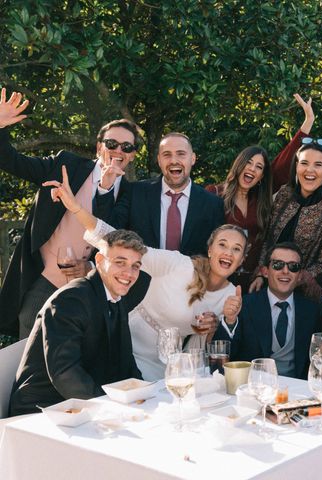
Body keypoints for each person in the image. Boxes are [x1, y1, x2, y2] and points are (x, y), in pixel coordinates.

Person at [43, 166, 246, 380]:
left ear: (241, 260)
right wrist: (76, 208)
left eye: (236, 249)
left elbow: (213, 353)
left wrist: (216, 326)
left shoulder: (232, 296)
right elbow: (117, 241)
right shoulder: (178, 263)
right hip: (125, 347)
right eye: (222, 245)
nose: (228, 253)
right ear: (210, 250)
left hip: (167, 365)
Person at [0, 87, 142, 338]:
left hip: (89, 287)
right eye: (112, 144)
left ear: (132, 156)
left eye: (127, 147)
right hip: (43, 280)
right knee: (27, 356)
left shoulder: (132, 194)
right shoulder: (65, 165)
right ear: (99, 147)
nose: (118, 150)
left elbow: (112, 236)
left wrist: (89, 264)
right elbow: (12, 162)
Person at [9, 229, 149, 416]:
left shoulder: (116, 298)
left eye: (135, 266)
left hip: (79, 405)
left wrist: (144, 397)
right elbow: (65, 372)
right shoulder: (72, 299)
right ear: (99, 261)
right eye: (120, 262)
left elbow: (125, 362)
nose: (128, 273)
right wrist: (109, 407)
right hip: (42, 410)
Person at [206, 94, 315, 291]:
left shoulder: (260, 199)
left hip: (251, 282)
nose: (252, 169)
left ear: (262, 175)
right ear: (239, 165)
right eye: (248, 163)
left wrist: (308, 122)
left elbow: (284, 162)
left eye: (259, 167)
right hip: (216, 278)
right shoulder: (214, 194)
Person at [252, 138, 322, 300]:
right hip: (270, 284)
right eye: (304, 163)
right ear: (296, 166)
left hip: (306, 291)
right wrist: (260, 272)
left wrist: (306, 274)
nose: (310, 170)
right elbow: (268, 238)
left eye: (318, 165)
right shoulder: (285, 193)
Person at [97, 132, 224, 256]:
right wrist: (105, 188)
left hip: (192, 276)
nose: (174, 161)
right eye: (167, 155)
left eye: (181, 154)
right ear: (159, 160)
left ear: (193, 159)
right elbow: (109, 231)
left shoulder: (213, 204)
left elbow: (214, 253)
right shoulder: (135, 193)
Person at [215, 242, 321, 379]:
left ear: (300, 275)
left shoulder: (311, 310)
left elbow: (318, 356)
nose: (285, 271)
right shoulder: (245, 305)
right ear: (265, 271)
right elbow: (221, 357)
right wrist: (229, 320)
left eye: (293, 267)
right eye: (278, 264)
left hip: (299, 392)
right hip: (254, 388)